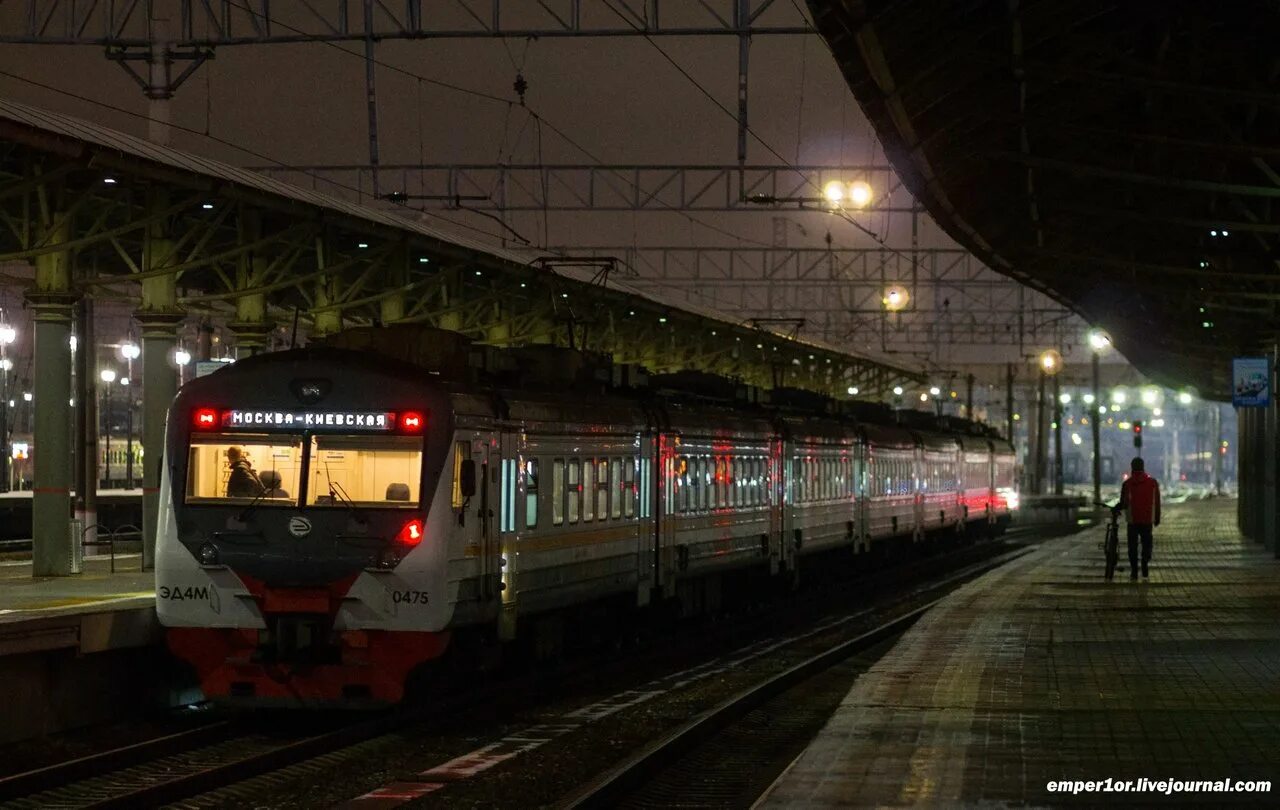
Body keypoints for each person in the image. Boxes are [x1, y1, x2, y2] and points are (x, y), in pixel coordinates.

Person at [1114, 457, 1161, 581]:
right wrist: (1156, 518)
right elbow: (1157, 502)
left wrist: (1117, 508)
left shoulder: (1127, 484)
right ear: (1143, 467)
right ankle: (1145, 562)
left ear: (1132, 467)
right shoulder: (1153, 483)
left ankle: (1134, 571)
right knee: (1147, 544)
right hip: (1147, 520)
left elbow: (1123, 503)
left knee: (1132, 546)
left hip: (1132, 521)